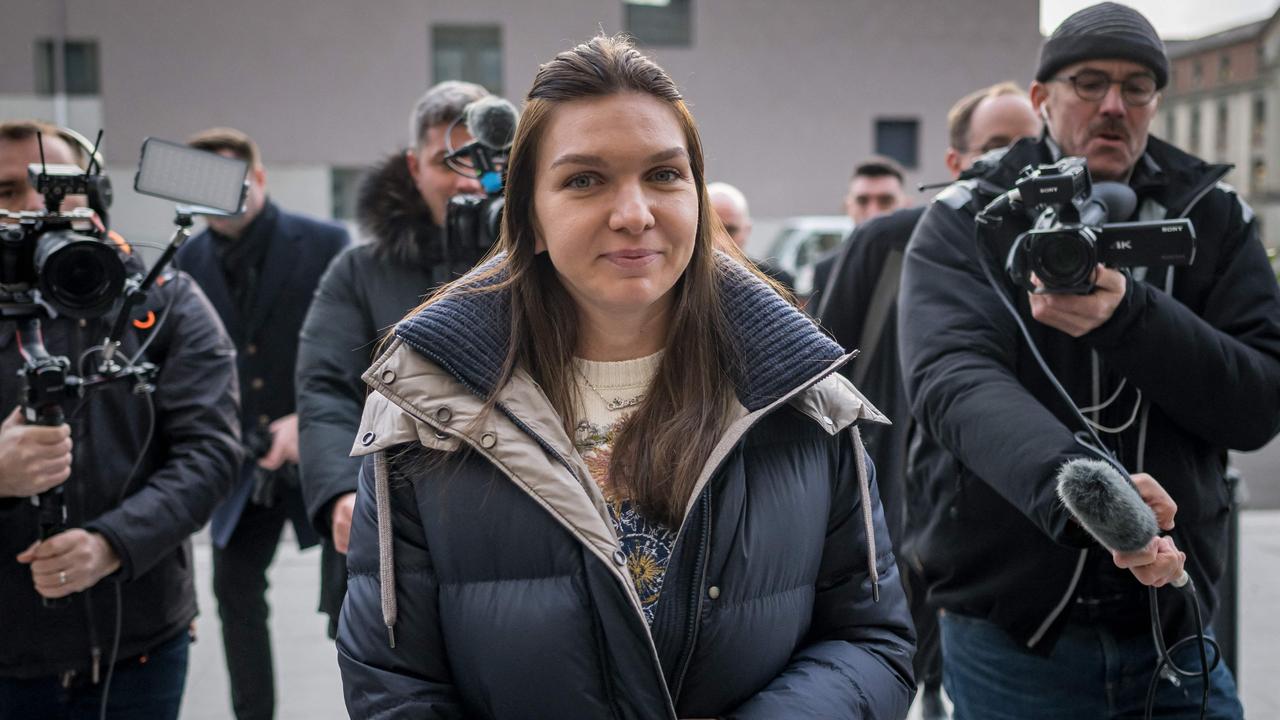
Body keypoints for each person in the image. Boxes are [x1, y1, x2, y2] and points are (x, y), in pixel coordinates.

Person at [336, 35, 916, 718]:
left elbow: (871, 641)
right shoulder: (429, 406)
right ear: (530, 216)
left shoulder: (800, 390)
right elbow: (391, 679)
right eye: (585, 180)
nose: (635, 213)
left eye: (665, 175)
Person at [897, 4, 1280, 718]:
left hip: (1174, 622)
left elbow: (1259, 399)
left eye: (1137, 87)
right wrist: (1091, 498)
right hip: (1015, 631)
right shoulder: (967, 217)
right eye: (1090, 82)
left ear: (1157, 102)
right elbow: (951, 381)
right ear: (1042, 97)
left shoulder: (1214, 214)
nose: (1114, 105)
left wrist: (1132, 317)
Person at [0, 120, 241, 718]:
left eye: (56, 185)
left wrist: (114, 543)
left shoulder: (168, 301)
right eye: (8, 193)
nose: (36, 205)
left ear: (97, 196)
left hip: (139, 646)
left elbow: (210, 452)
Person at [815, 81, 1040, 720]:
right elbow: (825, 383)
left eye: (1031, 144)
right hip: (888, 525)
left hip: (1002, 540)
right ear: (955, 163)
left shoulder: (1055, 264)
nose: (1018, 161)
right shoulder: (885, 244)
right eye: (997, 146)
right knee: (879, 685)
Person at [295, 80, 488, 639]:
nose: (468, 178)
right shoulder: (358, 272)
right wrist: (339, 490)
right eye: (448, 160)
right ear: (414, 166)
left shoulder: (545, 266)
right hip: (386, 535)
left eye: (482, 158)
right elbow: (324, 389)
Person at [176, 127, 349, 720]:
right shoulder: (182, 262)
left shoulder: (326, 242)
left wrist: (312, 417)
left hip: (323, 444)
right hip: (243, 459)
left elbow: (363, 344)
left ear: (260, 177)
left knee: (356, 595)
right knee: (233, 589)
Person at [807, 156, 910, 308]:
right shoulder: (826, 269)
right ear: (848, 206)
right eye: (862, 201)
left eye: (885, 200)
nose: (874, 212)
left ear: (906, 204)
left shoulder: (924, 262)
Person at [707, 180, 794, 290]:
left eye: (731, 231)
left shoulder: (778, 281)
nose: (719, 240)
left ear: (747, 230)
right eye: (709, 231)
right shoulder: (680, 280)